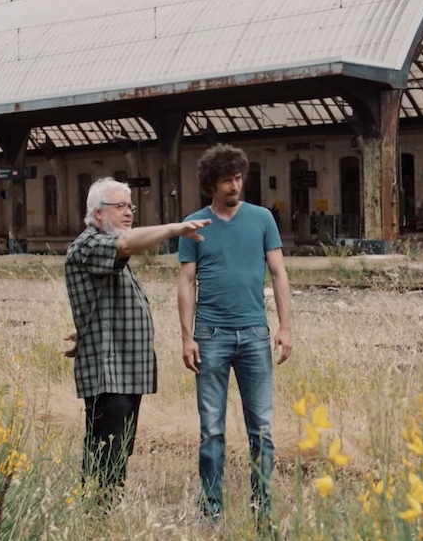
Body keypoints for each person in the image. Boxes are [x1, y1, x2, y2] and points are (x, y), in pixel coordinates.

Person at [63, 177, 209, 504]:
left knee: (116, 448)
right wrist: (176, 228)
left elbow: (100, 299)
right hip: (108, 370)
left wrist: (85, 327)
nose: (129, 213)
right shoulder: (90, 243)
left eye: (130, 207)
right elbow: (127, 244)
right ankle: (99, 512)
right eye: (120, 207)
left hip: (124, 370)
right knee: (107, 448)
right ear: (98, 214)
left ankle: (102, 509)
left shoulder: (106, 245)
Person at [177, 144, 294, 524]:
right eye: (227, 179)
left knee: (261, 428)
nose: (235, 185)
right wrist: (186, 336)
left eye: (239, 177)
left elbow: (278, 274)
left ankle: (262, 510)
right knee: (211, 430)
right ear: (211, 183)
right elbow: (186, 282)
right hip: (210, 335)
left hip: (255, 335)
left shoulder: (261, 219)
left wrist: (285, 327)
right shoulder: (193, 226)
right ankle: (210, 512)